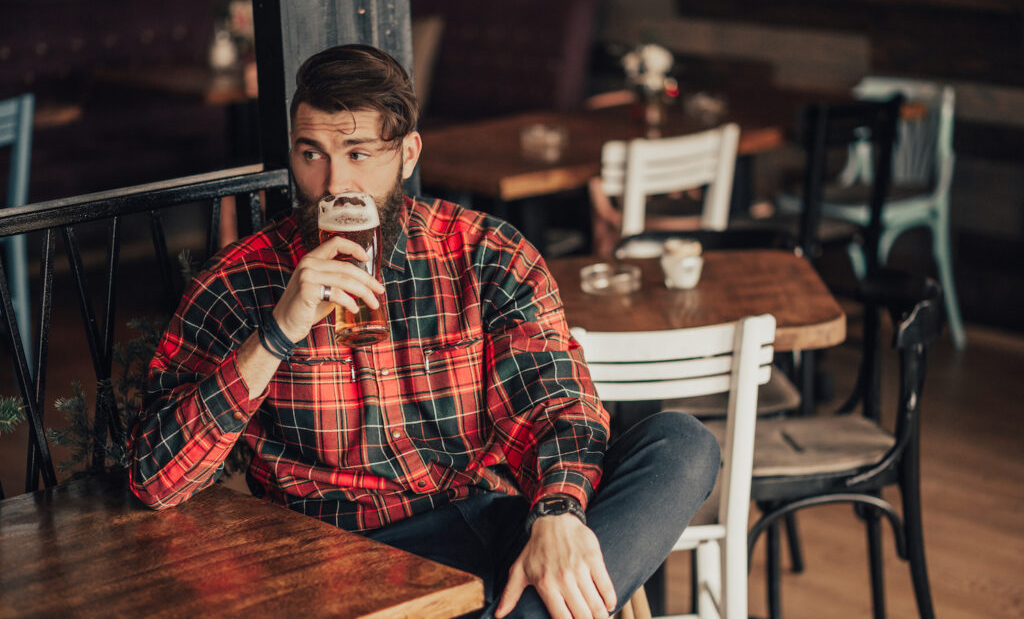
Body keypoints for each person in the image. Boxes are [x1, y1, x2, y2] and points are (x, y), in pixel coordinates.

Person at [129, 44, 720, 619]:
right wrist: (279, 332)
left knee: (683, 444)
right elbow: (156, 479)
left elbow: (557, 406)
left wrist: (558, 513)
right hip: (334, 558)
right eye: (312, 154)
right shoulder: (238, 281)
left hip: (481, 523)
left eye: (359, 154)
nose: (335, 184)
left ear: (408, 155)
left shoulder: (485, 253)